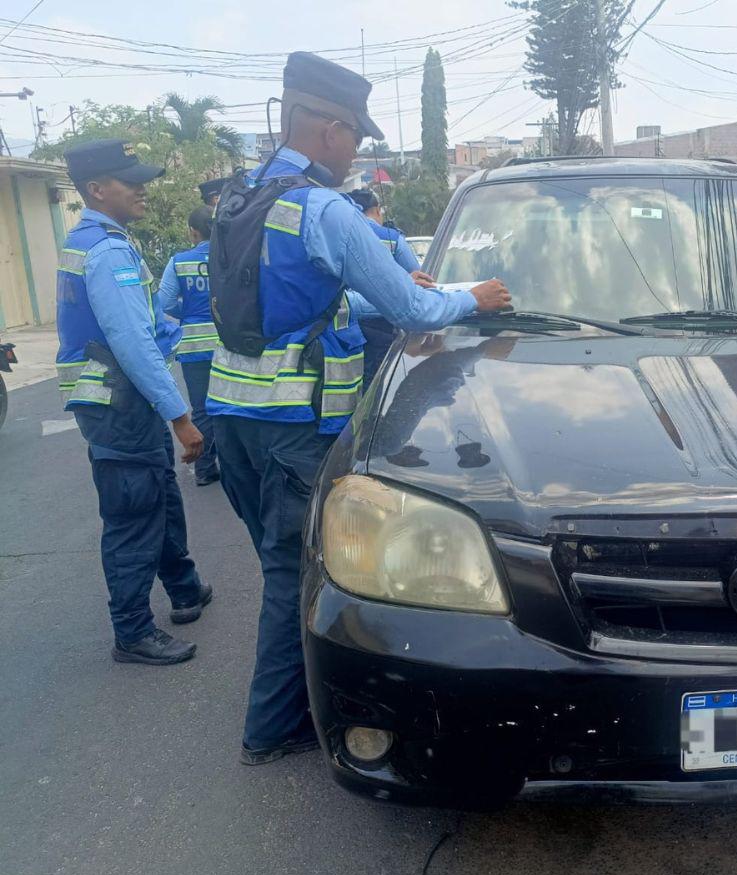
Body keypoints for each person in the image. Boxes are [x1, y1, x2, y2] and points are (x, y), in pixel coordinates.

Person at [206, 51, 511, 765]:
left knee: (280, 565)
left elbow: (313, 299)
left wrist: (401, 284)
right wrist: (475, 299)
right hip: (290, 428)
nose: (356, 154)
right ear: (332, 131)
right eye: (357, 139)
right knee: (295, 575)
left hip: (234, 417)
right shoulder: (324, 210)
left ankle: (280, 703)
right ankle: (272, 726)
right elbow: (410, 307)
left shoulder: (245, 196)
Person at [54, 138, 213, 666]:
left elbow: (146, 323)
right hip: (118, 402)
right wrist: (181, 417)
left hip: (116, 400)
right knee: (133, 514)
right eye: (130, 181)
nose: (142, 188)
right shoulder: (108, 250)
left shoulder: (97, 241)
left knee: (159, 495)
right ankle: (132, 632)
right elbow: (132, 341)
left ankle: (185, 589)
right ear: (97, 190)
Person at [156, 206, 220, 485]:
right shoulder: (228, 258)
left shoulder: (179, 262)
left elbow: (165, 302)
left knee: (202, 407)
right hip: (228, 342)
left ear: (193, 232)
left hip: (194, 346)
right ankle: (236, 463)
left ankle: (206, 469)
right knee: (232, 403)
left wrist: (190, 315)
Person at [344, 187, 432, 383]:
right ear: (376, 210)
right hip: (384, 331)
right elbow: (420, 284)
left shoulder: (340, 235)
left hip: (346, 329)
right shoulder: (392, 238)